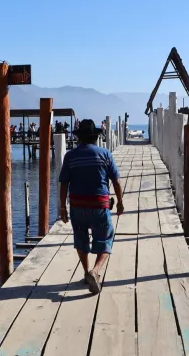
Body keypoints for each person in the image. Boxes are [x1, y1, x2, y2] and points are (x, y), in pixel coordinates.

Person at [58, 119, 124, 294]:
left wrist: (62, 208)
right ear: (95, 137)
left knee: (80, 238)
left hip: (77, 206)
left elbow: (64, 183)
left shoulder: (70, 156)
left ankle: (87, 273)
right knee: (106, 238)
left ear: (79, 138)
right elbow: (116, 181)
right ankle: (95, 271)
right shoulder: (105, 154)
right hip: (100, 205)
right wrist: (120, 201)